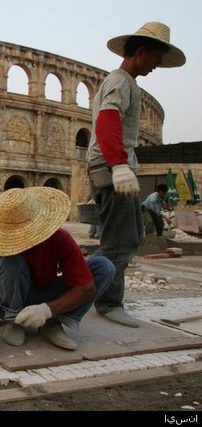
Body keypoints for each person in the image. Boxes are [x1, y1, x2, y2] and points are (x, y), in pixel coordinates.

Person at [87, 21, 185, 328]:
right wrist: (117, 165)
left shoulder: (126, 83)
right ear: (141, 52)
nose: (157, 66)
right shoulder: (120, 82)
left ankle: (94, 292)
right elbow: (106, 121)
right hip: (109, 167)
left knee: (131, 237)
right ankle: (93, 298)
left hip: (114, 167)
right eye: (157, 58)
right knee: (120, 242)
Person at [0, 187, 115, 350]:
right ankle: (13, 320)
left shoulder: (59, 239)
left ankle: (53, 323)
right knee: (11, 261)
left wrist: (47, 310)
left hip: (45, 295)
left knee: (104, 267)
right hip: (8, 299)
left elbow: (86, 288)